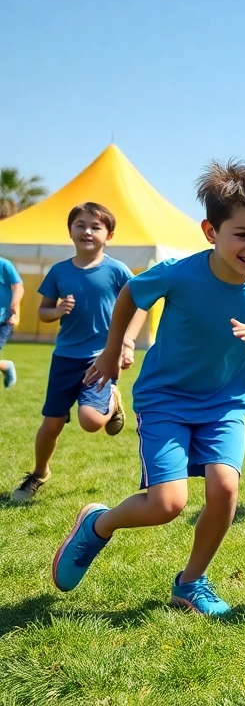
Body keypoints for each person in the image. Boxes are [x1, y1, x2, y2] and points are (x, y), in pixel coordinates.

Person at [52, 161, 245, 615]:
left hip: (225, 405)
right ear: (210, 230)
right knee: (169, 504)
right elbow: (132, 294)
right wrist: (116, 349)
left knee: (225, 488)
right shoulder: (179, 272)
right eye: (243, 234)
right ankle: (99, 524)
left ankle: (191, 582)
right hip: (165, 401)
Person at [13, 203, 145, 502]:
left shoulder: (117, 270)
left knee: (91, 422)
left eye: (96, 226)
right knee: (51, 424)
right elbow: (43, 311)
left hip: (102, 355)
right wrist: (57, 309)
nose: (87, 231)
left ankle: (111, 398)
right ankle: (39, 472)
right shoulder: (59, 271)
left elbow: (139, 306)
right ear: (70, 231)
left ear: (109, 235)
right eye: (80, 225)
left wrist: (126, 343)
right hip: (64, 358)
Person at [0, 254, 22, 389]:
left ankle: (7, 367)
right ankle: (5, 366)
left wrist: (14, 308)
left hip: (3, 320)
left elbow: (18, 287)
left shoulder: (4, 264)